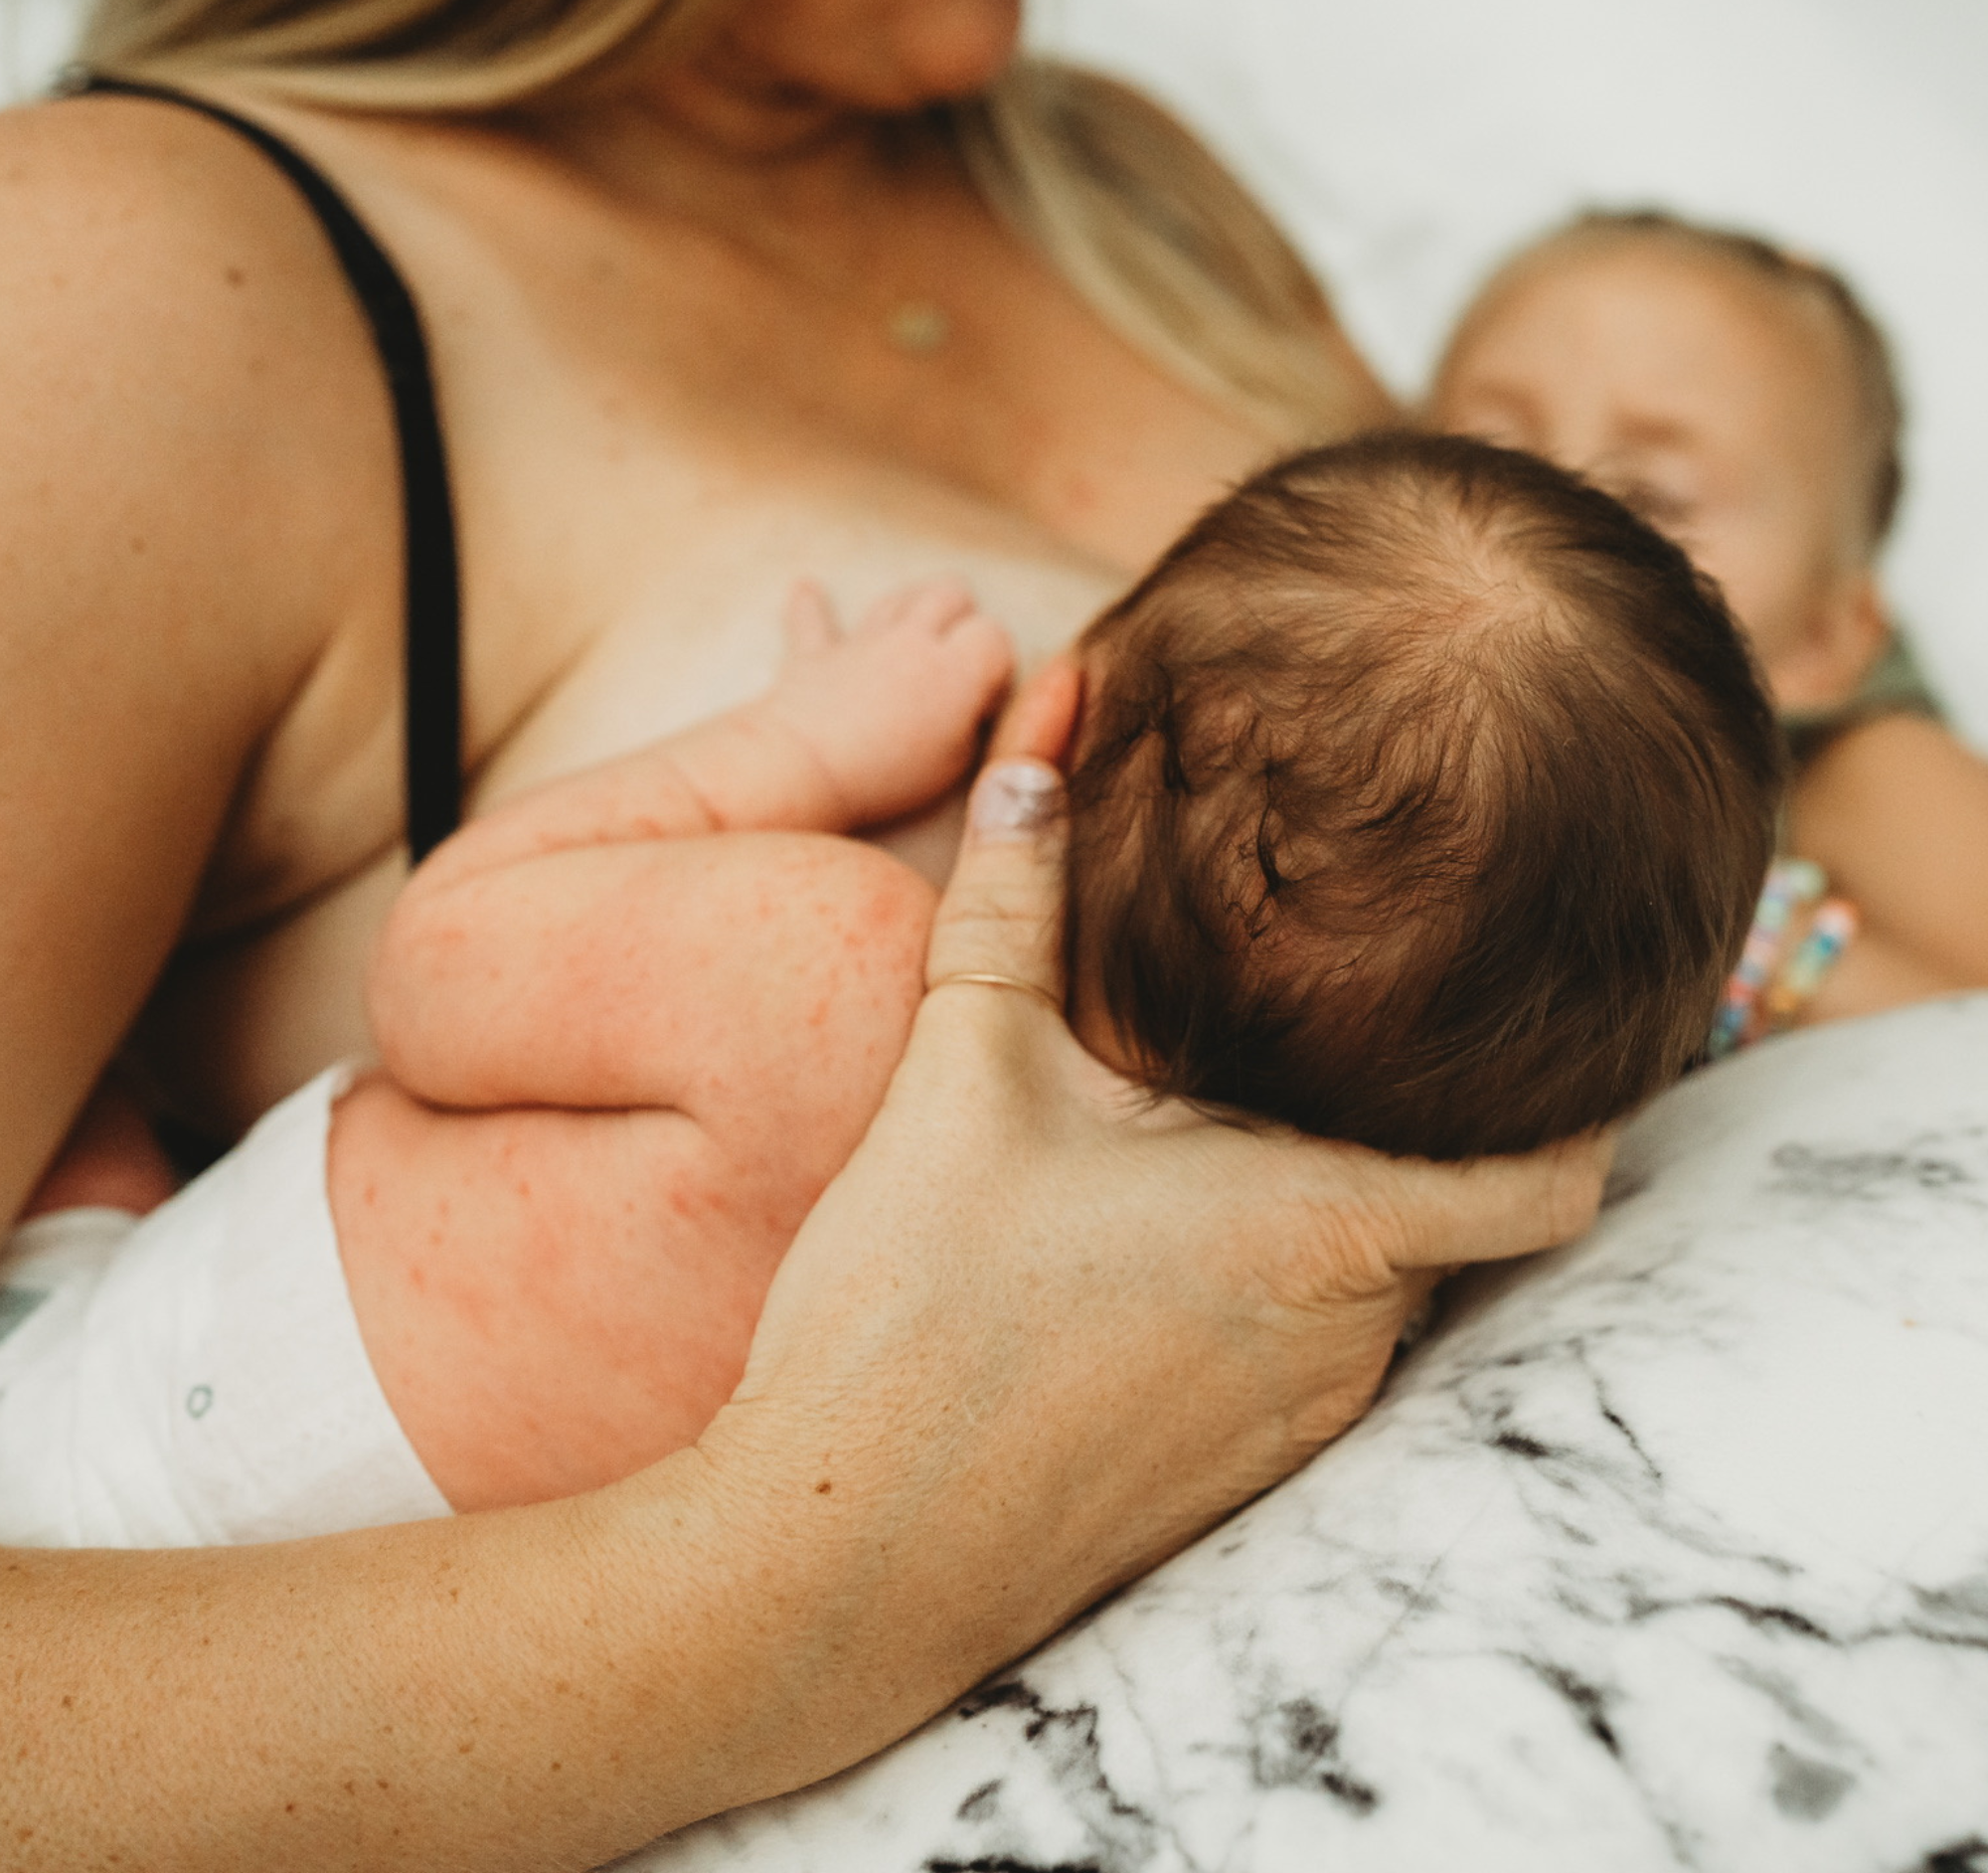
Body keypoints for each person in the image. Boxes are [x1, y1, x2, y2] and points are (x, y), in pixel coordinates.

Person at [0, 0, 1607, 1862]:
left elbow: (1546, 714)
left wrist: (1845, 735)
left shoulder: (1115, 176)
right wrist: (791, 1594)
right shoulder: (127, 282)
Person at [6, 433, 1769, 1542]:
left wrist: (789, 751)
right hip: (363, 1623)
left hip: (104, 1428)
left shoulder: (833, 962)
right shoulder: (1211, 1328)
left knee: (87, 1113)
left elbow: (435, 969)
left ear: (1061, 706)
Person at [1430, 211, 1988, 1031]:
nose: (1536, 516)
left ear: (1817, 642)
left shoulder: (1857, 772)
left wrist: (1758, 961)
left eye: (1652, 499)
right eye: (1484, 458)